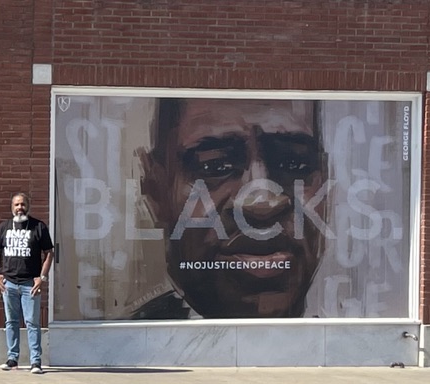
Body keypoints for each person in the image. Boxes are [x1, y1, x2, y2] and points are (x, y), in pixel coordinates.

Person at [135, 98, 327, 319]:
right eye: (214, 166)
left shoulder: (354, 346)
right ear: (156, 192)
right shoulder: (123, 347)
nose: (262, 203)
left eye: (294, 164)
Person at [0, 192, 54, 373]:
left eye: (23, 204)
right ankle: (12, 358)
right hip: (9, 283)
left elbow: (49, 252)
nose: (20, 208)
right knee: (11, 321)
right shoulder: (4, 227)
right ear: (12, 207)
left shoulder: (38, 227)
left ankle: (36, 361)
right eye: (17, 205)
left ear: (28, 206)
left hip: (30, 283)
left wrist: (42, 277)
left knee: (32, 322)